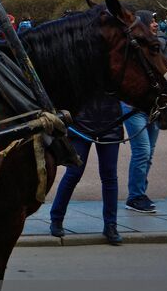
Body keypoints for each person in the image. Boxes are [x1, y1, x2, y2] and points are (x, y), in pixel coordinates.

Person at [48, 93, 124, 244]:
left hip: (111, 121)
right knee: (74, 173)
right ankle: (56, 218)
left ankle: (111, 225)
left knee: (109, 175)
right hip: (82, 121)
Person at [121, 9, 165, 214]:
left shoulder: (159, 46)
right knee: (142, 151)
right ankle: (135, 196)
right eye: (152, 21)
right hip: (134, 107)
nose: (155, 24)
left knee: (148, 154)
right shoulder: (132, 49)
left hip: (153, 107)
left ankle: (139, 193)